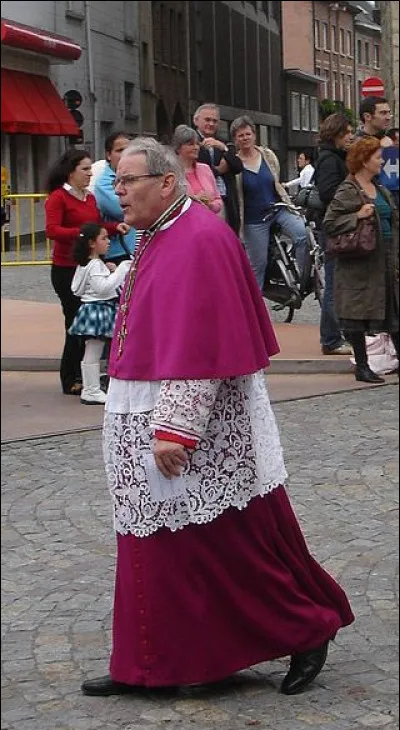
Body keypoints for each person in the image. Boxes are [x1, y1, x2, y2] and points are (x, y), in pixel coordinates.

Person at [80, 137, 354, 699]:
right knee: (157, 545)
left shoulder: (198, 240)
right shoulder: (160, 232)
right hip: (146, 411)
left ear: (166, 182)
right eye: (117, 179)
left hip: (193, 426)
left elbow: (198, 345)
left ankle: (305, 628)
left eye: (129, 180)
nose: (118, 190)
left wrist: (174, 429)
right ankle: (150, 662)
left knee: (225, 542)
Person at [45, 149, 129, 396]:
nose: (89, 173)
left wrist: (114, 228)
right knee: (74, 323)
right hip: (66, 268)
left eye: (90, 169)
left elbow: (96, 226)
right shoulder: (58, 197)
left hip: (88, 264)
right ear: (70, 172)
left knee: (89, 328)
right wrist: (83, 235)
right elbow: (52, 230)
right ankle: (70, 376)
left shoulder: (89, 198)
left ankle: (87, 375)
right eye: (84, 169)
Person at [323, 137, 399, 383]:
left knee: (393, 309)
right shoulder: (348, 189)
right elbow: (330, 223)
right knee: (357, 315)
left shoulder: (380, 189)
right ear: (364, 160)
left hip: (384, 257)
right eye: (377, 157)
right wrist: (356, 215)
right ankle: (362, 366)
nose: (381, 161)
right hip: (360, 262)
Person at [231, 115, 308, 291]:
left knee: (302, 233)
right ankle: (255, 306)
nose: (245, 138)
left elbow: (276, 179)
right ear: (235, 139)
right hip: (254, 219)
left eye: (248, 134)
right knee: (258, 264)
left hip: (277, 209)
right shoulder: (236, 164)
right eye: (241, 135)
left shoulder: (267, 155)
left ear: (254, 135)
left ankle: (303, 277)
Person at [68, 223, 131, 405]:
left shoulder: (87, 264)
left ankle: (92, 387)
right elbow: (103, 289)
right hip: (99, 309)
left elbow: (77, 289)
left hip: (91, 309)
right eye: (103, 238)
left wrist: (109, 271)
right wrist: (120, 271)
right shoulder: (95, 264)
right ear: (92, 243)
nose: (108, 241)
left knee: (92, 350)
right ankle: (92, 389)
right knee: (94, 350)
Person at [314, 114, 354, 356]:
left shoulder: (335, 156)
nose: (350, 136)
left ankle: (336, 335)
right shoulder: (329, 159)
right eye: (347, 132)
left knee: (338, 282)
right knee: (334, 283)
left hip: (336, 227)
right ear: (338, 133)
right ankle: (330, 338)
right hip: (333, 228)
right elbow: (328, 191)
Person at [193, 103, 242, 233]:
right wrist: (218, 170)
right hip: (204, 202)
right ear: (196, 121)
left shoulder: (224, 143)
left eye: (215, 121)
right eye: (207, 120)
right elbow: (194, 169)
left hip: (226, 200)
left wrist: (223, 148)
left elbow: (238, 166)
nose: (211, 124)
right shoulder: (191, 143)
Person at [93, 131, 137, 265]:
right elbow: (122, 210)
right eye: (120, 150)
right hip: (118, 252)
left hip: (137, 247)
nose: (125, 154)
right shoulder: (104, 183)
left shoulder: (138, 175)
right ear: (108, 155)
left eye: (128, 150)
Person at [172, 124, 223, 215]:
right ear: (178, 147)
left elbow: (218, 200)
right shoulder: (171, 173)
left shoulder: (205, 169)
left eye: (197, 144)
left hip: (208, 222)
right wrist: (194, 201)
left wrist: (210, 205)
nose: (196, 147)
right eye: (191, 144)